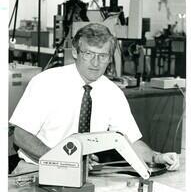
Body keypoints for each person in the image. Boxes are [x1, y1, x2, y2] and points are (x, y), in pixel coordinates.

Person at [9, 23, 179, 174]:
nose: (96, 63)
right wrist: (61, 161)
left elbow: (129, 141)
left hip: (85, 174)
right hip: (36, 169)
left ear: (109, 59)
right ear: (75, 52)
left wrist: (157, 157)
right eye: (89, 54)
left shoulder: (112, 92)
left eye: (103, 56)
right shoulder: (46, 82)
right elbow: (21, 135)